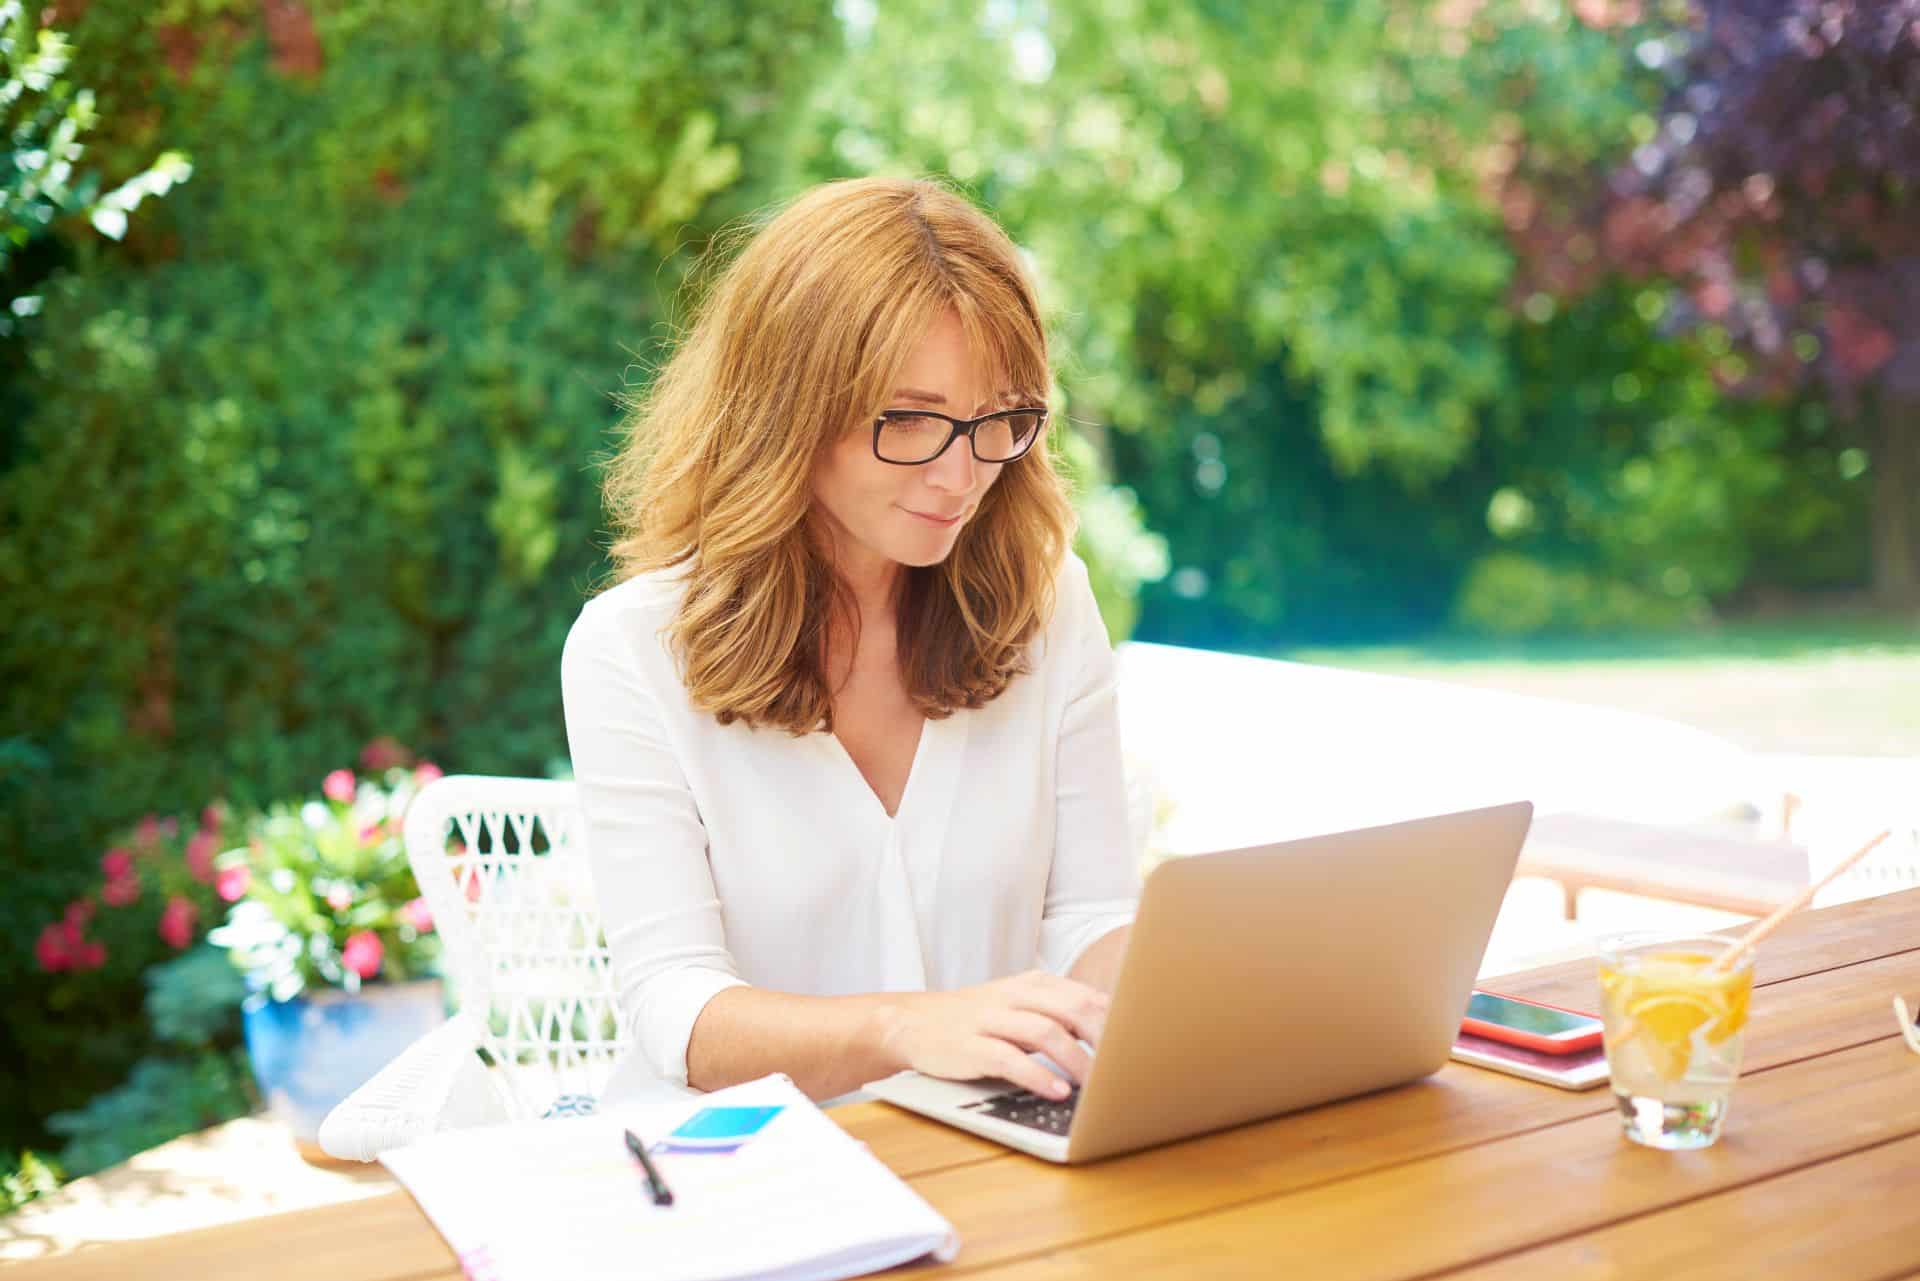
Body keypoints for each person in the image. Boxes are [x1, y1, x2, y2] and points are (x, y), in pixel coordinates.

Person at [560, 177, 1137, 1108]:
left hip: (985, 1150)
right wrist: (907, 1026)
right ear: (789, 409)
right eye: (910, 419)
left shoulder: (1046, 606)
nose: (963, 473)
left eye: (999, 420)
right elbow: (678, 1006)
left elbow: (1092, 914)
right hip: (739, 1181)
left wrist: (1181, 997)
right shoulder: (630, 651)